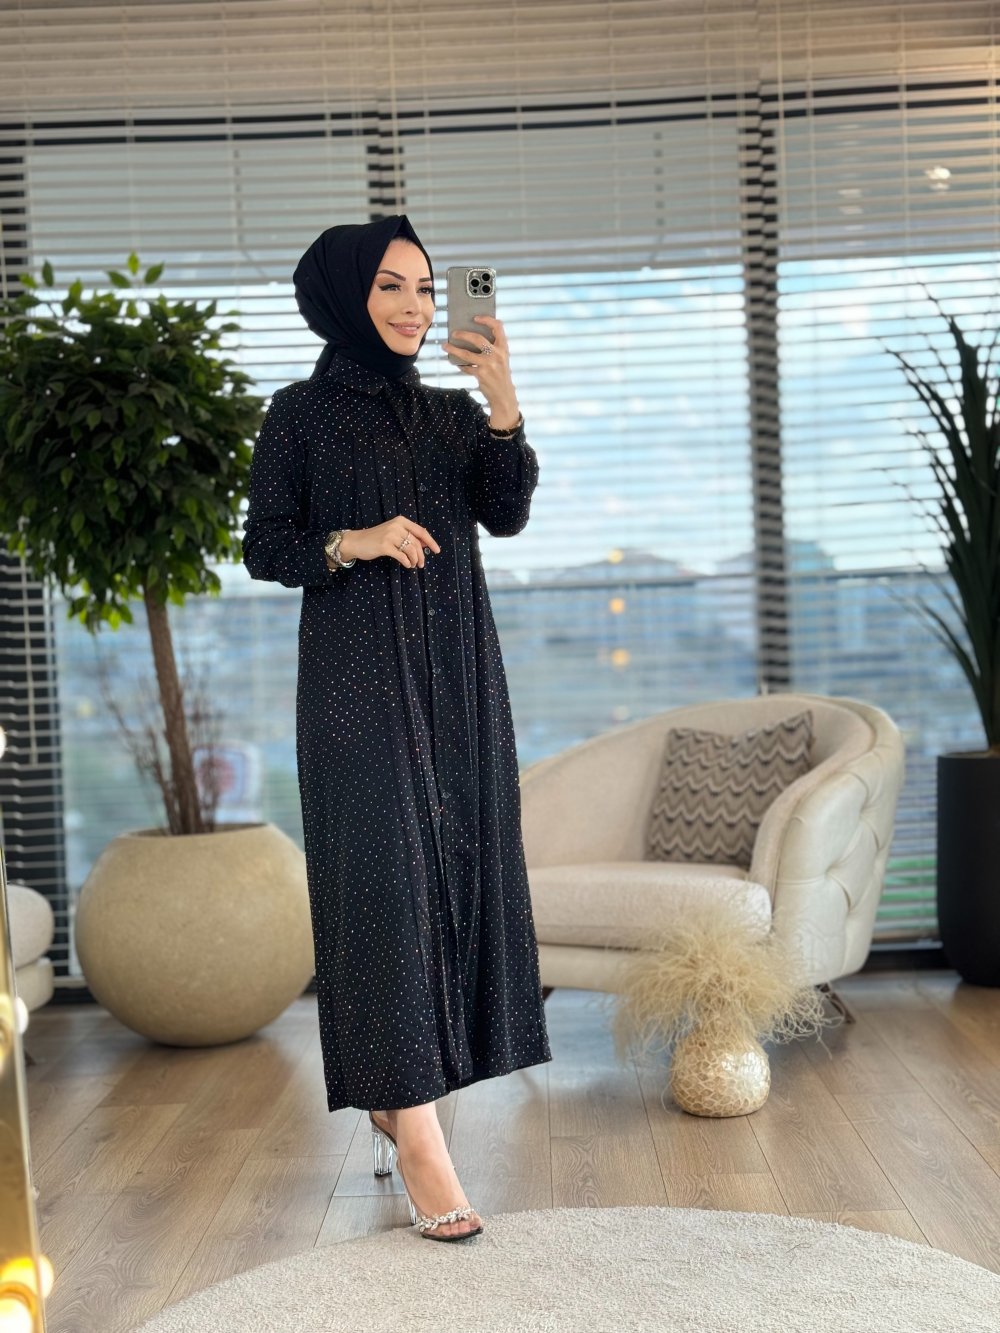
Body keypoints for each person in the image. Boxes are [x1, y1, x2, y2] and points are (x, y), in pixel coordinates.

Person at [242, 214, 552, 1242]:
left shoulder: (454, 417)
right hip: (353, 686)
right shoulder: (298, 415)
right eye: (390, 286)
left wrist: (502, 402)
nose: (416, 307)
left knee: (452, 878)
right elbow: (266, 546)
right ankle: (418, 1133)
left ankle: (402, 1097)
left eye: (425, 287)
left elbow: (505, 512)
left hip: (460, 680)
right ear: (343, 295)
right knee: (380, 889)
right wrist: (357, 539)